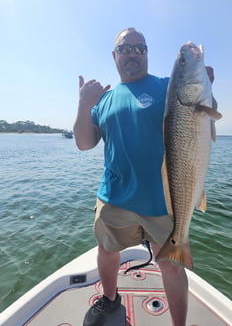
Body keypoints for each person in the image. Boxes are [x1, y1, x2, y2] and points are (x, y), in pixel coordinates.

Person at [74, 28, 189, 326]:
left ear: (148, 53)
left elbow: (198, 108)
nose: (134, 53)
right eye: (126, 48)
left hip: (164, 200)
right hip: (114, 198)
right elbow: (85, 143)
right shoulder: (105, 99)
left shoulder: (167, 86)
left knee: (172, 266)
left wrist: (202, 85)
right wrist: (84, 103)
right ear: (115, 55)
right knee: (107, 251)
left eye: (141, 48)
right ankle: (110, 300)